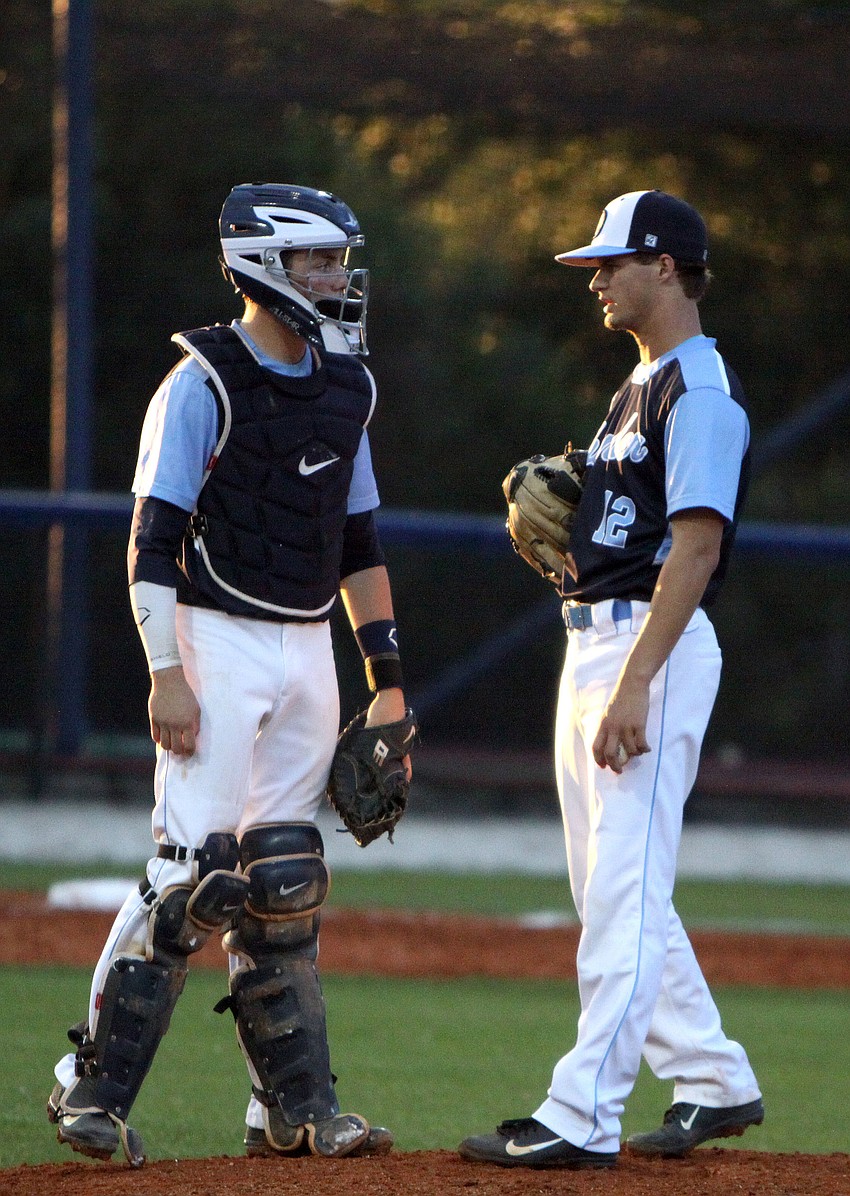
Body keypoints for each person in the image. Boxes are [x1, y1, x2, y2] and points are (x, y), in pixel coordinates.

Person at [47, 183, 411, 1167]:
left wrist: (388, 678)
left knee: (284, 880)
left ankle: (289, 1111)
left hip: (305, 644)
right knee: (189, 873)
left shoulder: (348, 383)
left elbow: (359, 539)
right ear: (261, 265)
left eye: (340, 259)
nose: (337, 277)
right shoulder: (202, 378)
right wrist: (165, 668)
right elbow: (151, 539)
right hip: (213, 636)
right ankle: (89, 1088)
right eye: (318, 261)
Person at [459, 190, 763, 1170]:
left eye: (610, 262)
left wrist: (637, 680)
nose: (594, 277)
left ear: (665, 266)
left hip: (649, 650)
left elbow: (697, 547)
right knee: (613, 890)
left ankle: (579, 1111)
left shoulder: (697, 390)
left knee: (623, 894)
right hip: (596, 638)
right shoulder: (637, 386)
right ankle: (712, 1075)